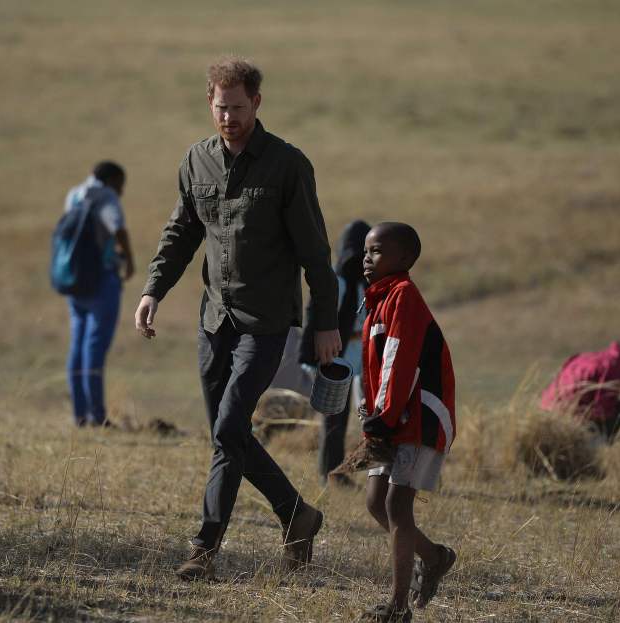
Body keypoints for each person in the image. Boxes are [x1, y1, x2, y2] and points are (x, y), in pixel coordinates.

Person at [134, 57, 342, 580]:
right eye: (221, 108)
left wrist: (325, 323)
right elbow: (180, 233)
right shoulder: (195, 161)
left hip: (267, 320)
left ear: (257, 104)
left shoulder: (287, 165)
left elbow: (316, 253)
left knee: (228, 427)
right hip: (214, 320)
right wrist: (153, 290)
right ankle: (298, 515)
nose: (229, 118)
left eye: (239, 108)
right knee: (227, 435)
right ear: (209, 103)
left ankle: (204, 550)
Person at [337, 222, 456, 622]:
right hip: (392, 416)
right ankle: (434, 556)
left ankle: (398, 606)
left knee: (396, 504)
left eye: (377, 252)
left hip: (419, 416)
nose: (366, 259)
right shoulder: (377, 298)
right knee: (375, 502)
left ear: (405, 259)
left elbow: (398, 360)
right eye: (366, 251)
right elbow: (376, 369)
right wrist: (373, 415)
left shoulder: (403, 296)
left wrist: (382, 419)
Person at [61, 162, 135, 427]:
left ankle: (80, 415)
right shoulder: (107, 197)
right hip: (102, 280)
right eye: (121, 184)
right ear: (113, 180)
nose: (122, 191)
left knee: (77, 346)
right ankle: (97, 415)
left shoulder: (74, 194)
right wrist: (130, 259)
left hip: (75, 279)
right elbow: (118, 229)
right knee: (95, 347)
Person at [301, 219, 371, 487]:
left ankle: (363, 470)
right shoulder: (337, 282)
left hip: (361, 354)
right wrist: (310, 358)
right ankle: (331, 473)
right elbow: (315, 318)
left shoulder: (365, 283)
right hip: (336, 356)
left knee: (367, 416)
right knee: (334, 419)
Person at [539, 341, 620, 441]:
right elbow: (601, 409)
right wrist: (619, 415)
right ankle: (596, 448)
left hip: (547, 406)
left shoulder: (587, 358)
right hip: (569, 414)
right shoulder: (613, 367)